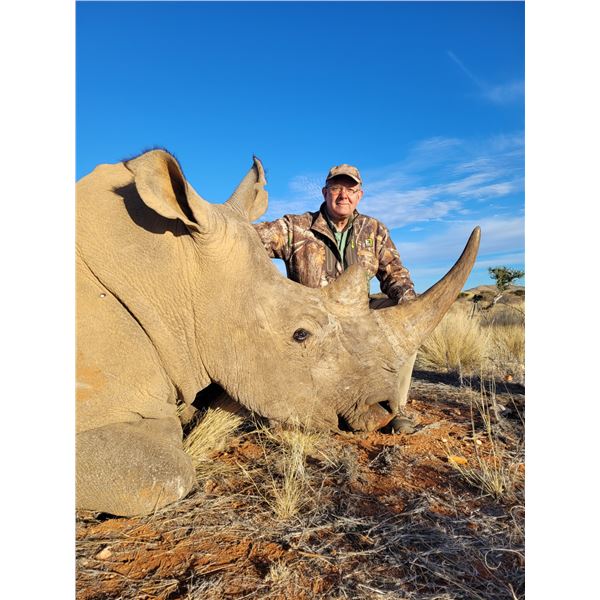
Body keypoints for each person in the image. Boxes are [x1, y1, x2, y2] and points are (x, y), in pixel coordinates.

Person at [253, 164, 418, 433]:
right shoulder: (295, 227)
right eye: (336, 188)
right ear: (325, 192)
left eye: (350, 190)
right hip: (312, 320)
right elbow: (247, 239)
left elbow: (395, 275)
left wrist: (409, 303)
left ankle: (394, 407)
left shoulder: (374, 230)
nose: (344, 195)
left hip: (358, 316)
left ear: (359, 195)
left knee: (407, 320)